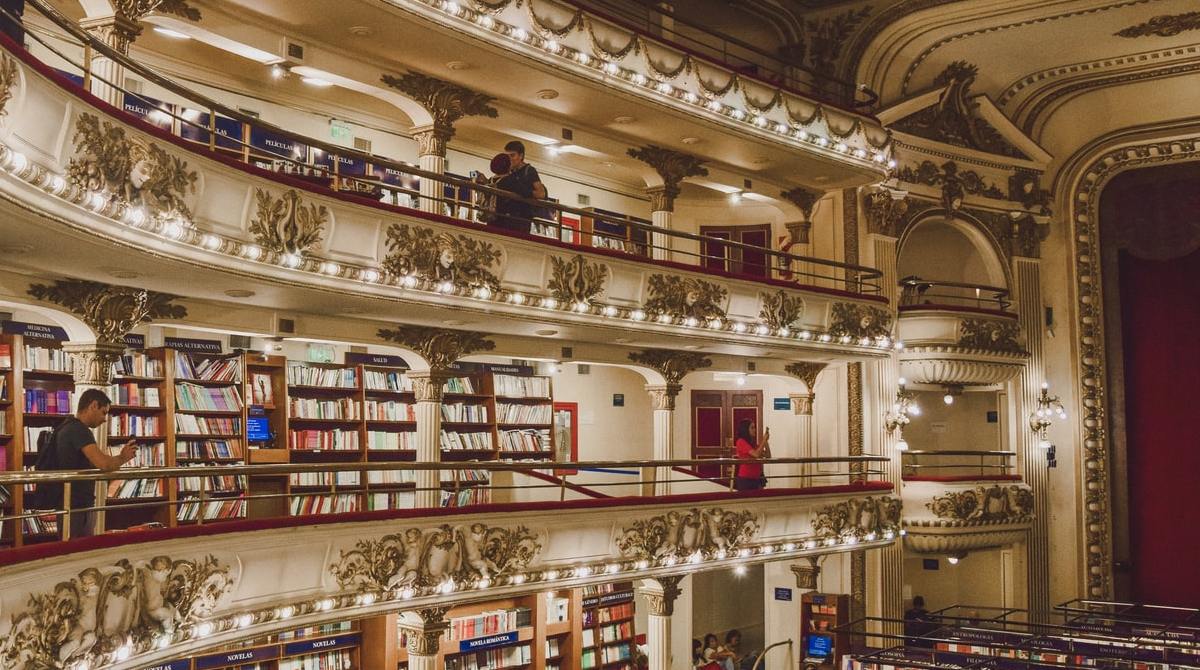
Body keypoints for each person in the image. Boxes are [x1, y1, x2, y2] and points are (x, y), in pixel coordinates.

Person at [48, 388, 138, 539]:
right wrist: (123, 457)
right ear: (93, 405)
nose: (105, 419)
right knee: (78, 552)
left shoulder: (66, 426)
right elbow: (104, 464)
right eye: (104, 412)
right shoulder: (79, 430)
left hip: (70, 502)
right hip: (76, 505)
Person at [492, 140, 546, 235]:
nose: (509, 159)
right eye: (507, 156)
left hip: (520, 218)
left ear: (521, 156)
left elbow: (541, 193)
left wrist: (524, 192)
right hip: (503, 216)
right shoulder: (507, 171)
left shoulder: (529, 171)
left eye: (512, 155)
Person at [733, 418, 770, 491]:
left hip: (757, 477)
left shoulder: (752, 443)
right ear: (745, 429)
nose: (754, 430)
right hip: (746, 478)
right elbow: (756, 454)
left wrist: (766, 442)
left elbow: (768, 455)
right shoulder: (741, 441)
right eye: (752, 428)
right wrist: (763, 440)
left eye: (754, 427)